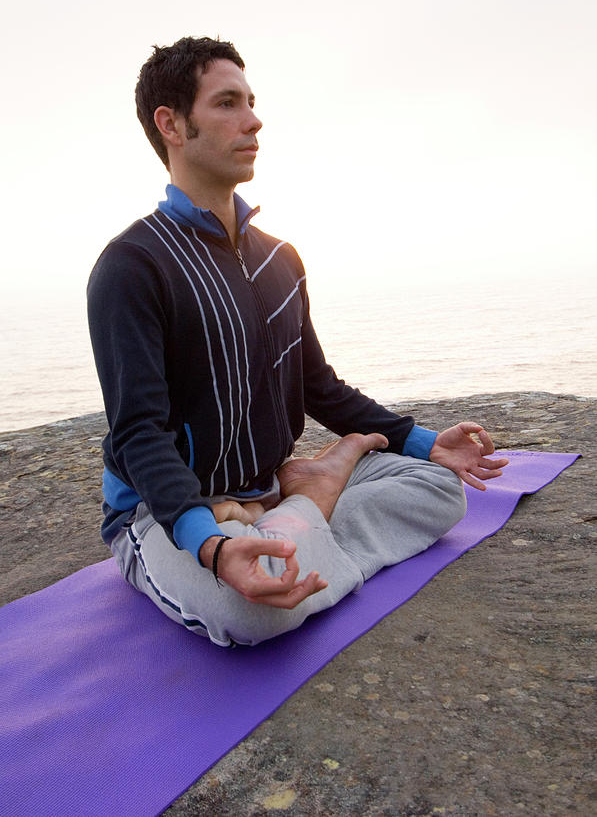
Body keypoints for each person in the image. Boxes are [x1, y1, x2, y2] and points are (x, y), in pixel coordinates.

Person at [87, 36, 508, 647]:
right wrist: (209, 542)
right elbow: (138, 435)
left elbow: (318, 386)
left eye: (251, 102)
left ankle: (292, 518)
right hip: (170, 513)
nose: (253, 120)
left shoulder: (279, 258)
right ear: (171, 124)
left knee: (440, 489)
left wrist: (420, 441)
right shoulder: (133, 266)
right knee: (252, 615)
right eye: (227, 103)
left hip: (267, 486)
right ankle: (306, 512)